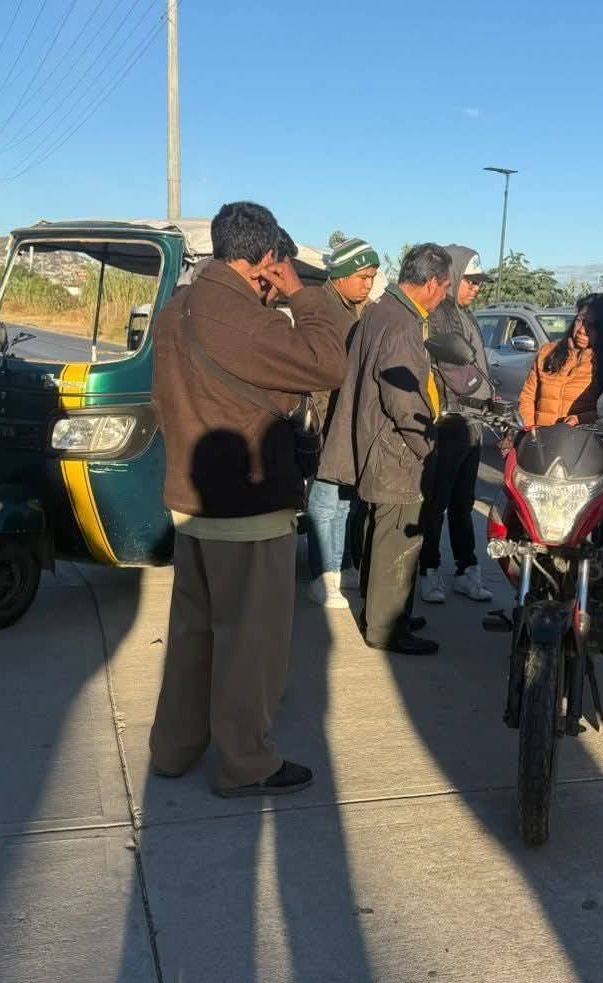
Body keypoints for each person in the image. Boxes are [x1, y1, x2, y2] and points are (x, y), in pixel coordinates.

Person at [149, 201, 346, 798]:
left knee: (192, 637)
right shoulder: (235, 314)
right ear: (265, 258)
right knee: (248, 646)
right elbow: (328, 364)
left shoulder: (177, 307)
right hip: (247, 509)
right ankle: (246, 762)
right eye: (276, 266)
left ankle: (175, 748)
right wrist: (303, 297)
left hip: (191, 502)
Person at [318, 243, 453, 655]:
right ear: (431, 283)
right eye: (445, 286)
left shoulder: (382, 310)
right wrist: (426, 444)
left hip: (380, 443)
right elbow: (402, 399)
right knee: (397, 537)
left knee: (383, 533)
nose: (445, 293)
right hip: (396, 449)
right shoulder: (401, 324)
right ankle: (385, 627)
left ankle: (390, 611)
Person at [304, 236, 380, 609]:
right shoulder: (322, 307)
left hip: (346, 414)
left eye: (372, 277)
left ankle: (340, 564)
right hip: (325, 415)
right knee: (324, 497)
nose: (368, 284)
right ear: (343, 274)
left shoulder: (352, 308)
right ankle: (322, 574)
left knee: (345, 496)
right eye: (363, 277)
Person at [418, 247, 496, 605]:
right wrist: (484, 393)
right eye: (471, 280)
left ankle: (467, 568)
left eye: (480, 282)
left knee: (463, 502)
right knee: (437, 502)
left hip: (472, 423)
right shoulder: (440, 316)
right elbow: (453, 370)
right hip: (449, 421)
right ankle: (428, 569)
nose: (476, 287)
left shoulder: (468, 316)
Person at [518, 292, 603, 429]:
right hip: (539, 440)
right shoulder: (548, 352)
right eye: (579, 321)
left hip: (578, 444)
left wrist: (580, 419)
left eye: (591, 326)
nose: (581, 330)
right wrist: (528, 430)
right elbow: (527, 397)